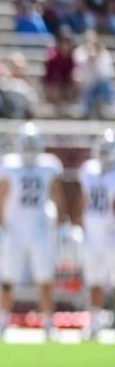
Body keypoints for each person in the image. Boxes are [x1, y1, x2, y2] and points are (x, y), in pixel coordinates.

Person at [0, 122, 66, 337]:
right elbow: (2, 196)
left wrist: (62, 223)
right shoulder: (9, 165)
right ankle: (2, 319)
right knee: (7, 277)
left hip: (40, 228)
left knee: (45, 277)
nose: (30, 148)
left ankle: (48, 321)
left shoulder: (49, 165)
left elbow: (57, 195)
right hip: (14, 228)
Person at [76, 129, 115, 339]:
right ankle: (95, 322)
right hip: (93, 233)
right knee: (94, 281)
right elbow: (84, 199)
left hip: (112, 234)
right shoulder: (88, 170)